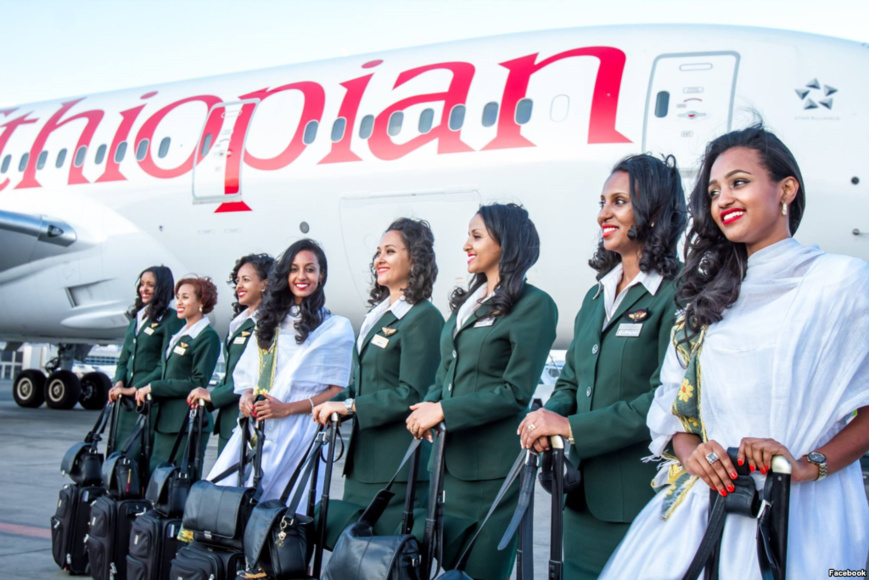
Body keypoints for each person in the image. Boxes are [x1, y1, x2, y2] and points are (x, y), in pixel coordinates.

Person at [599, 125, 869, 578]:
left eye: (738, 182)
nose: (722, 199)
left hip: (809, 518)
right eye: (713, 191)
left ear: (786, 189)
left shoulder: (840, 282)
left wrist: (807, 466)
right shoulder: (705, 301)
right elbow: (672, 416)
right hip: (706, 517)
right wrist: (694, 455)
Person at [517, 154, 687, 579]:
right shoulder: (597, 296)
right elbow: (572, 379)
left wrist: (572, 429)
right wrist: (548, 417)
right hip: (580, 496)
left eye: (619, 202)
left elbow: (664, 399)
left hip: (641, 500)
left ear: (652, 212)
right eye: (602, 201)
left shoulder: (678, 293)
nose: (603, 214)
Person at [406, 203, 557, 580]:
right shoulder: (467, 306)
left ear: (506, 243)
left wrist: (445, 411)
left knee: (482, 573)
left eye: (476, 236)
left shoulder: (535, 306)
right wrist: (428, 405)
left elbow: (514, 392)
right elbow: (446, 372)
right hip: (447, 466)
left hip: (493, 473)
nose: (466, 246)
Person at [313, 218, 444, 547]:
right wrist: (330, 404)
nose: (379, 259)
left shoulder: (423, 317)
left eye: (390, 251)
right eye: (377, 252)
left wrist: (350, 405)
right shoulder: (379, 315)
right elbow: (362, 385)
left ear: (415, 259)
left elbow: (412, 394)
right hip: (363, 466)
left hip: (396, 469)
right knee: (352, 559)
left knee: (380, 560)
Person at [206, 239, 354, 502]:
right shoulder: (268, 322)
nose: (301, 276)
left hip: (301, 431)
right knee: (231, 507)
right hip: (259, 428)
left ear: (321, 276)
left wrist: (287, 409)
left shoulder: (334, 328)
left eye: (310, 269)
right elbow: (249, 379)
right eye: (294, 269)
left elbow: (336, 391)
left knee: (284, 516)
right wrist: (246, 398)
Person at [188, 253, 274, 454]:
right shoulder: (241, 321)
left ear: (264, 284)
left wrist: (212, 394)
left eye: (246, 280)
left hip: (247, 416)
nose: (239, 286)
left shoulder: (268, 324)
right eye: (237, 281)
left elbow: (257, 377)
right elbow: (231, 372)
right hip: (229, 415)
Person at [135, 276, 221, 472]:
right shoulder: (181, 333)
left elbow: (197, 382)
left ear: (201, 302)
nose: (179, 303)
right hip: (166, 420)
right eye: (178, 297)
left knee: (176, 486)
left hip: (184, 422)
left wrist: (155, 387)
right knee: (158, 483)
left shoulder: (207, 337)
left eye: (185, 297)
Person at [109, 266, 183, 447]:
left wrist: (134, 389)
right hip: (124, 400)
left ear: (162, 288)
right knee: (116, 454)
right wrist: (119, 382)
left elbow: (165, 364)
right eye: (142, 284)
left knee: (135, 455)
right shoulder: (137, 318)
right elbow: (124, 357)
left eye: (151, 285)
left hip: (147, 400)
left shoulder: (171, 319)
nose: (144, 289)